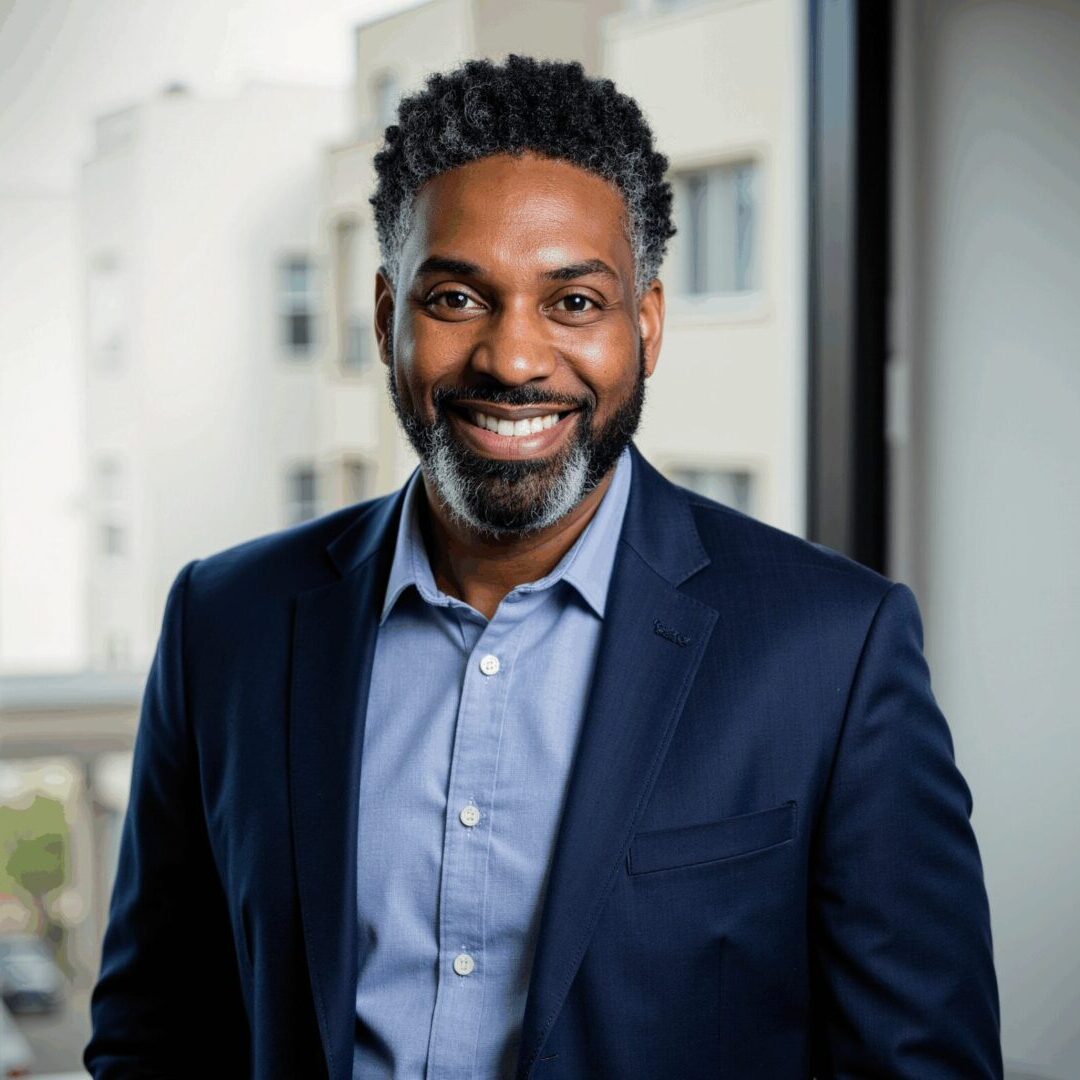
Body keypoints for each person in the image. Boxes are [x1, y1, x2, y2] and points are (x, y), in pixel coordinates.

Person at [84, 54, 1002, 1080]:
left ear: (645, 326)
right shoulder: (225, 625)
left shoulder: (834, 651)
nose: (513, 359)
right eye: (456, 297)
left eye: (572, 302)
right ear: (386, 319)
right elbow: (151, 1037)